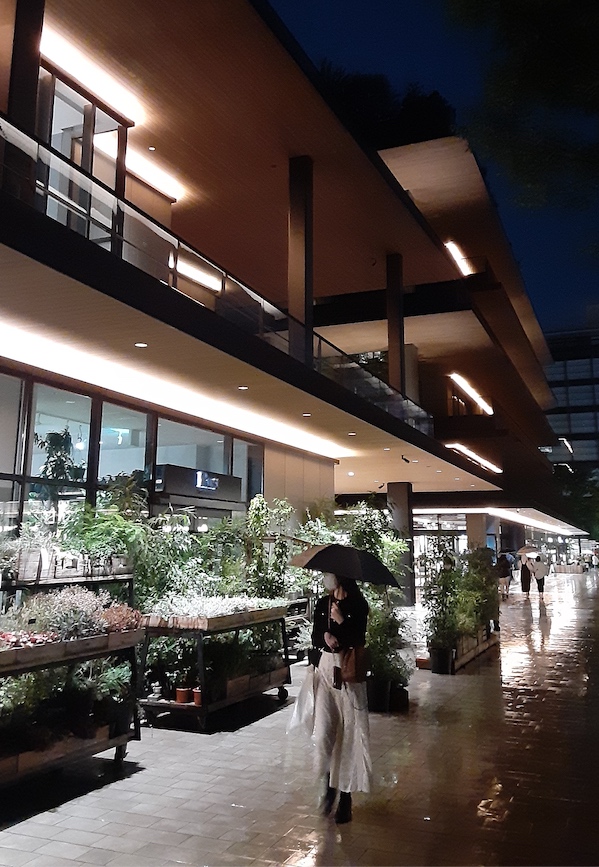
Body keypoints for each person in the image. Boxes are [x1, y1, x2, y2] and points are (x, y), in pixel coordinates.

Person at [311, 572, 371, 824]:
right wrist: (325, 636)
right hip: (326, 673)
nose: (327, 578)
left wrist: (341, 622)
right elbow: (315, 636)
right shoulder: (322, 603)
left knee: (348, 737)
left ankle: (345, 797)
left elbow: (358, 639)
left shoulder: (358, 604)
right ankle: (329, 786)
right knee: (324, 734)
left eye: (331, 574)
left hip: (348, 674)